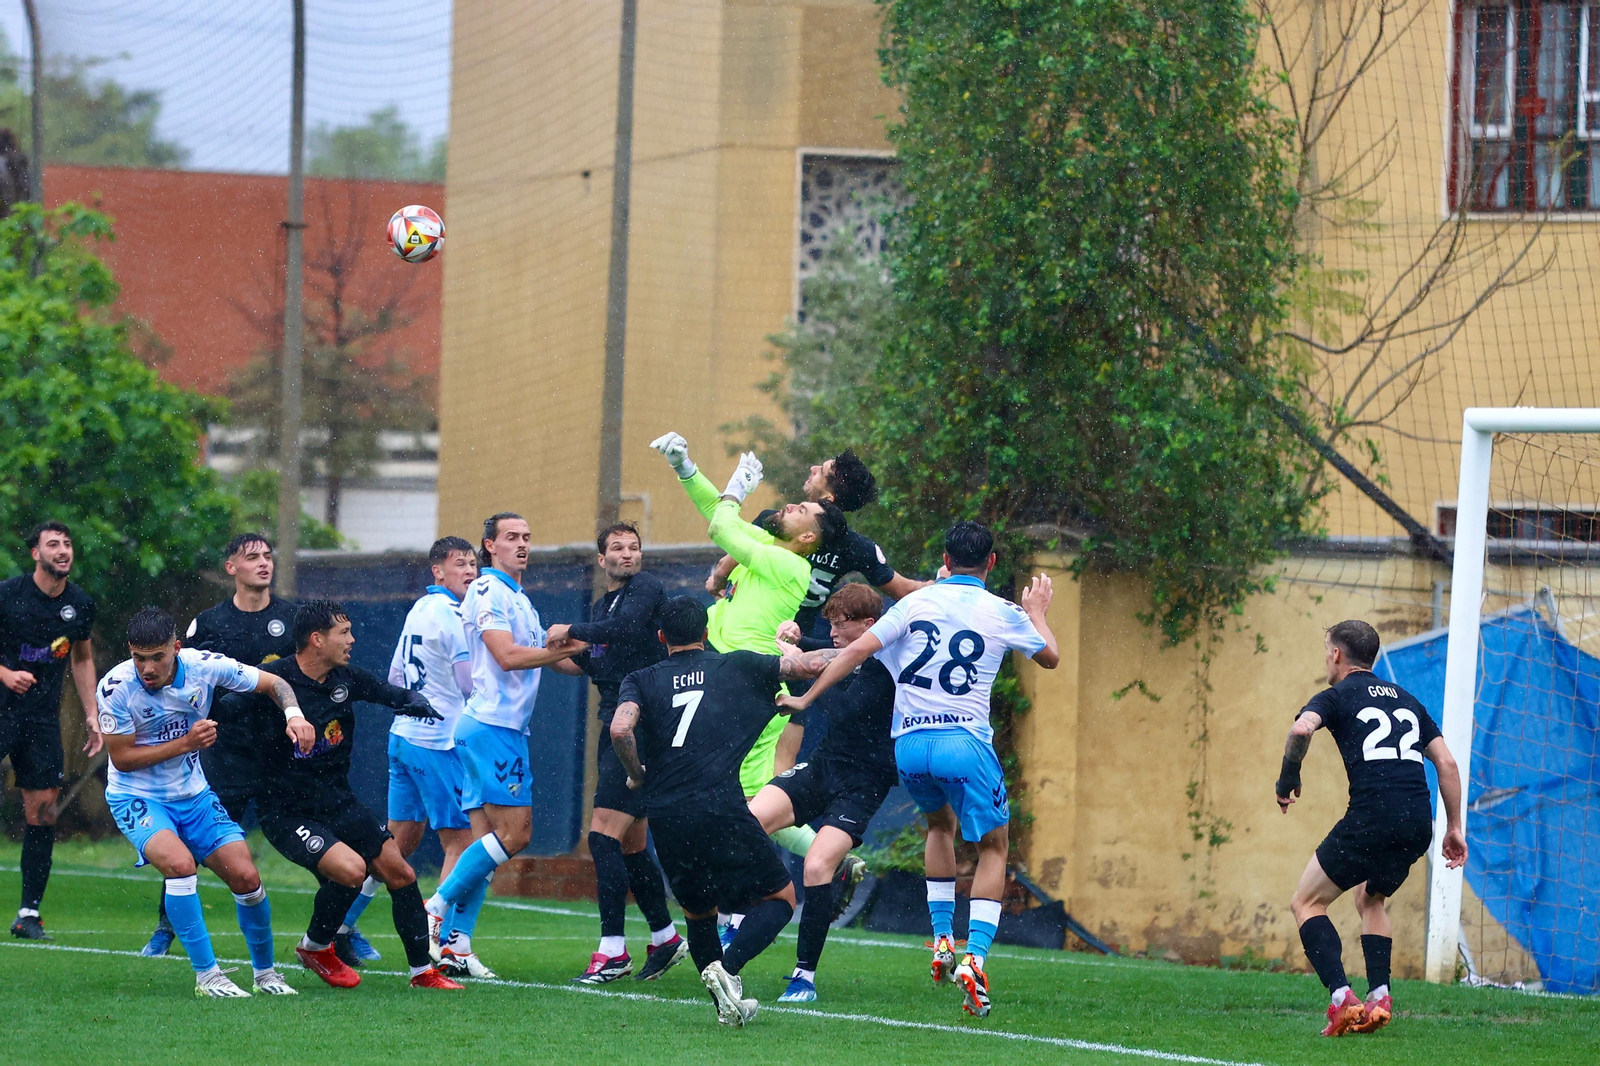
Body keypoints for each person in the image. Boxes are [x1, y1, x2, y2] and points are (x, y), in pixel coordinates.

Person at [779, 520, 1059, 1018]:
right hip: (963, 742)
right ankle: (975, 958)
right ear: (991, 563)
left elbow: (854, 652)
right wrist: (1037, 612)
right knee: (994, 846)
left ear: (945, 561)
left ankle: (942, 938)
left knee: (939, 826)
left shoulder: (913, 604)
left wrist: (805, 698)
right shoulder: (1003, 611)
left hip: (909, 746)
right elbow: (1050, 657)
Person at [648, 432, 846, 937]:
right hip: (732, 679)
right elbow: (718, 514)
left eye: (802, 510)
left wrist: (737, 488)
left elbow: (722, 522)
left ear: (808, 539)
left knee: (737, 794)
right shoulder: (771, 548)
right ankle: (826, 855)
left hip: (746, 687)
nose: (791, 504)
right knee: (751, 793)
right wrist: (686, 468)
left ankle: (745, 896)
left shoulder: (788, 562)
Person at [608, 597, 834, 1027]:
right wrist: (865, 646)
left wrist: (636, 775)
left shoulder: (641, 678)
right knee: (781, 898)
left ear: (661, 637)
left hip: (666, 815)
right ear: (706, 633)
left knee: (698, 913)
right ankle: (727, 969)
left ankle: (725, 1005)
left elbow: (621, 729)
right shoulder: (738, 664)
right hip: (720, 807)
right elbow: (809, 666)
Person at [246, 600, 463, 990]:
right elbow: (226, 710)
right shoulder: (271, 680)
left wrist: (410, 701)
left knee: (401, 873)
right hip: (287, 811)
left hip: (337, 801)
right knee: (351, 871)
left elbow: (384, 691)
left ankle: (422, 973)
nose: (352, 640)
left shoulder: (345, 678)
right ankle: (315, 947)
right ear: (317, 639)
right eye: (343, 633)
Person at [98, 607, 311, 997]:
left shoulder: (205, 666)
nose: (147, 668)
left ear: (176, 648)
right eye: (139, 657)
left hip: (193, 794)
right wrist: (186, 743)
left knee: (247, 877)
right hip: (137, 796)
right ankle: (208, 976)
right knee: (180, 867)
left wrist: (294, 715)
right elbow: (123, 759)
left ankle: (266, 975)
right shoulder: (115, 687)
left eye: (157, 656)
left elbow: (273, 682)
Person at [1275, 619, 1467, 1036]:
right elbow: (1447, 763)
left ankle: (1342, 999)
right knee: (1370, 897)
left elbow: (1301, 729)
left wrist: (1288, 777)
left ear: (1337, 654)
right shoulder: (1407, 700)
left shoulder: (1335, 695)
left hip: (1372, 817)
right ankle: (1380, 995)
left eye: (1327, 651)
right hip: (1417, 823)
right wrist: (1454, 827)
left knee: (1306, 903)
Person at [422, 513, 587, 962]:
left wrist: (596, 656)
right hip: (492, 726)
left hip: (497, 727)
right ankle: (435, 907)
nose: (522, 544)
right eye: (511, 537)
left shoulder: (520, 598)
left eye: (527, 537)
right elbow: (508, 656)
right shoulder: (487, 589)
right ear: (489, 546)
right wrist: (573, 644)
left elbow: (550, 659)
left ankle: (456, 944)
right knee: (516, 835)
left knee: (485, 845)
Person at [142, 531, 300, 957]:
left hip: (279, 752)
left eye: (268, 555)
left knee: (315, 833)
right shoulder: (210, 624)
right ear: (231, 567)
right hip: (225, 752)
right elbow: (180, 679)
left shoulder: (293, 618)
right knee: (191, 843)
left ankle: (339, 930)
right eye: (252, 557)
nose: (263, 563)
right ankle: (165, 927)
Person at [334, 536, 482, 975]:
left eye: (473, 564)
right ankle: (444, 940)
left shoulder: (420, 608)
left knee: (396, 845)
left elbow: (396, 675)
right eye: (460, 564)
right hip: (435, 742)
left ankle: (340, 926)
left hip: (403, 737)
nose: (469, 571)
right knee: (463, 843)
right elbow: (468, 684)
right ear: (437, 571)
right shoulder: (453, 615)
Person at [545, 522, 684, 984]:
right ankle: (665, 937)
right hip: (616, 723)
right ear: (601, 559)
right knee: (630, 845)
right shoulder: (604, 605)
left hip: (639, 724)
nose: (628, 554)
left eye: (634, 547)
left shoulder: (645, 589)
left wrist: (569, 630)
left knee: (602, 838)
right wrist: (541, 653)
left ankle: (612, 952)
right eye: (618, 548)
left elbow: (624, 630)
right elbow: (597, 660)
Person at [752, 582, 898, 1003]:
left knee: (817, 867)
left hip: (865, 780)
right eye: (829, 624)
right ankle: (749, 913)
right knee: (747, 822)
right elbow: (828, 651)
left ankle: (804, 977)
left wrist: (805, 668)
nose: (832, 633)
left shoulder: (885, 664)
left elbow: (844, 709)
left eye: (841, 625)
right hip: (824, 765)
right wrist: (798, 640)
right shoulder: (846, 647)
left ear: (869, 624)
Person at [708, 450, 927, 652]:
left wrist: (718, 582)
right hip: (796, 645)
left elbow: (726, 563)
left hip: (748, 636)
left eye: (820, 471)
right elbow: (905, 590)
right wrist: (943, 582)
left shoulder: (777, 522)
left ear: (828, 498)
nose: (812, 469)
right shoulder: (857, 546)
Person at [1, 522, 99, 941]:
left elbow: (82, 659)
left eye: (67, 544)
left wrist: (93, 714)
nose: (62, 550)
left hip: (40, 721)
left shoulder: (80, 604)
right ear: (35, 554)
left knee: (43, 811)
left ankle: (29, 914)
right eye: (53, 544)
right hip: (1, 709)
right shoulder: (8, 594)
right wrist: (5, 674)